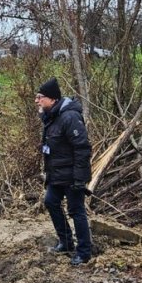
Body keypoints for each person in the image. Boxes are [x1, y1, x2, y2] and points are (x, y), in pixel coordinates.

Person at [37, 77, 95, 266]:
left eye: (40, 97)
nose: (37, 100)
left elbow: (82, 148)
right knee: (51, 202)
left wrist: (80, 178)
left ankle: (84, 252)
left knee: (76, 210)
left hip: (72, 175)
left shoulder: (69, 117)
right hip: (57, 175)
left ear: (52, 99)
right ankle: (66, 242)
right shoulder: (50, 117)